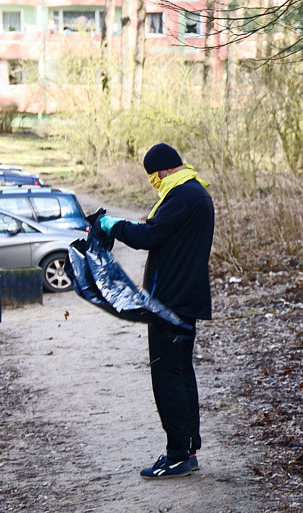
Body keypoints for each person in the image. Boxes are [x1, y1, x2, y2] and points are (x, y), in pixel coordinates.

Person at [98, 143, 215, 479]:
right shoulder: (194, 194)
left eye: (153, 177)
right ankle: (188, 448)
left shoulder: (182, 196)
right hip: (183, 299)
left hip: (169, 302)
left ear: (163, 170)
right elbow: (162, 233)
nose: (153, 184)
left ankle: (178, 455)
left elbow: (150, 236)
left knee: (167, 377)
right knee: (181, 373)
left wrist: (114, 227)